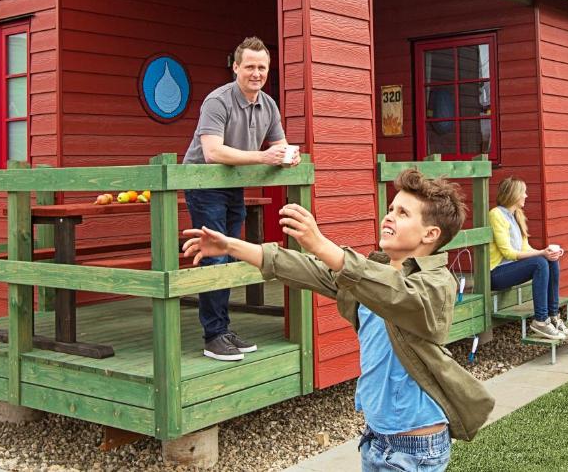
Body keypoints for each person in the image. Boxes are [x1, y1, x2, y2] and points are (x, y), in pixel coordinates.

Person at [182, 169, 494, 471]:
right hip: (376, 439)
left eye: (402, 213)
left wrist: (320, 244)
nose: (389, 216)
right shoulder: (373, 273)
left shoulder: (436, 284)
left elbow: (398, 294)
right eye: (390, 208)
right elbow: (306, 268)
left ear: (430, 234)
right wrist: (231, 245)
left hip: (414, 450)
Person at [182, 36, 300, 362]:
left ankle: (223, 328)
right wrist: (264, 158)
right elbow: (212, 152)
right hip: (203, 184)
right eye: (249, 66)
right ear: (236, 67)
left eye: (262, 67)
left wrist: (290, 157)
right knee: (216, 257)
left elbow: (281, 145)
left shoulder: (269, 105)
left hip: (234, 184)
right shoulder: (217, 101)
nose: (256, 73)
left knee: (232, 254)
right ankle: (214, 335)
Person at [488, 177, 568, 340]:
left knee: (550, 261)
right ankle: (540, 320)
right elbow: (509, 253)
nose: (526, 196)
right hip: (496, 273)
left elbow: (525, 249)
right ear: (514, 194)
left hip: (512, 269)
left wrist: (547, 252)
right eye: (523, 192)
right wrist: (541, 254)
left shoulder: (516, 216)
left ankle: (552, 316)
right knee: (540, 262)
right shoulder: (496, 214)